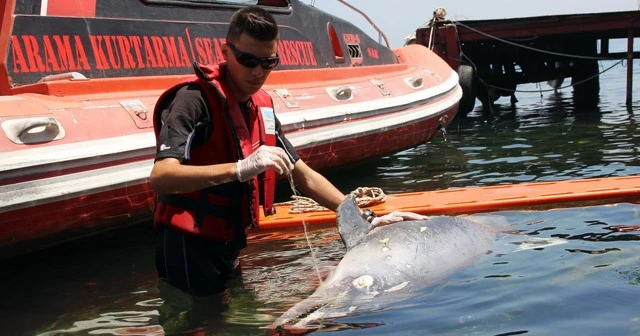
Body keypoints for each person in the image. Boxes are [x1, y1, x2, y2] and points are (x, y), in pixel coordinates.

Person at [149, 6, 425, 296]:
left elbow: (303, 174)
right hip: (186, 246)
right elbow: (162, 176)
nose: (257, 72)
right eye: (247, 60)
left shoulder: (261, 106)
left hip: (229, 244)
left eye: (268, 62)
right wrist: (240, 169)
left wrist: (364, 218)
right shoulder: (193, 101)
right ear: (225, 52)